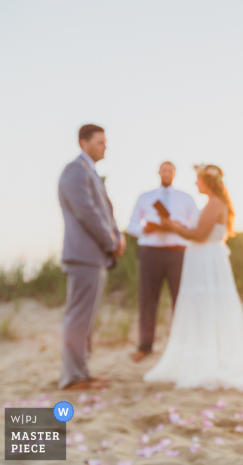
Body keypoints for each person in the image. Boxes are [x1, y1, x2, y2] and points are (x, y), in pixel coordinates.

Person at [144, 164, 243, 391]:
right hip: (203, 259)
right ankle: (205, 358)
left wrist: (170, 226)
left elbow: (198, 235)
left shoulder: (215, 203)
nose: (196, 183)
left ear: (208, 181)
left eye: (198, 179)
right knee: (203, 308)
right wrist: (177, 225)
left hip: (206, 261)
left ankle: (208, 363)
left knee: (204, 307)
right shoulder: (212, 203)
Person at [57, 124, 125, 390]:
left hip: (95, 257)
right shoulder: (75, 170)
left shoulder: (91, 172)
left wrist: (117, 237)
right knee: (77, 318)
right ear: (83, 143)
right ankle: (72, 377)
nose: (105, 146)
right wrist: (111, 242)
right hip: (83, 255)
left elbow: (105, 212)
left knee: (86, 319)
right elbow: (87, 212)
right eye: (100, 142)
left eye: (105, 142)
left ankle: (82, 373)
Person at [126, 162, 198, 362]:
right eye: (164, 170)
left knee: (181, 300)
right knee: (148, 301)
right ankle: (145, 346)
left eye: (170, 170)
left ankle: (182, 346)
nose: (167, 173)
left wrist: (176, 225)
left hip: (178, 253)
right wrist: (145, 229)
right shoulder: (145, 197)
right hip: (151, 253)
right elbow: (131, 224)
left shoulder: (186, 198)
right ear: (159, 172)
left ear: (174, 174)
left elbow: (195, 224)